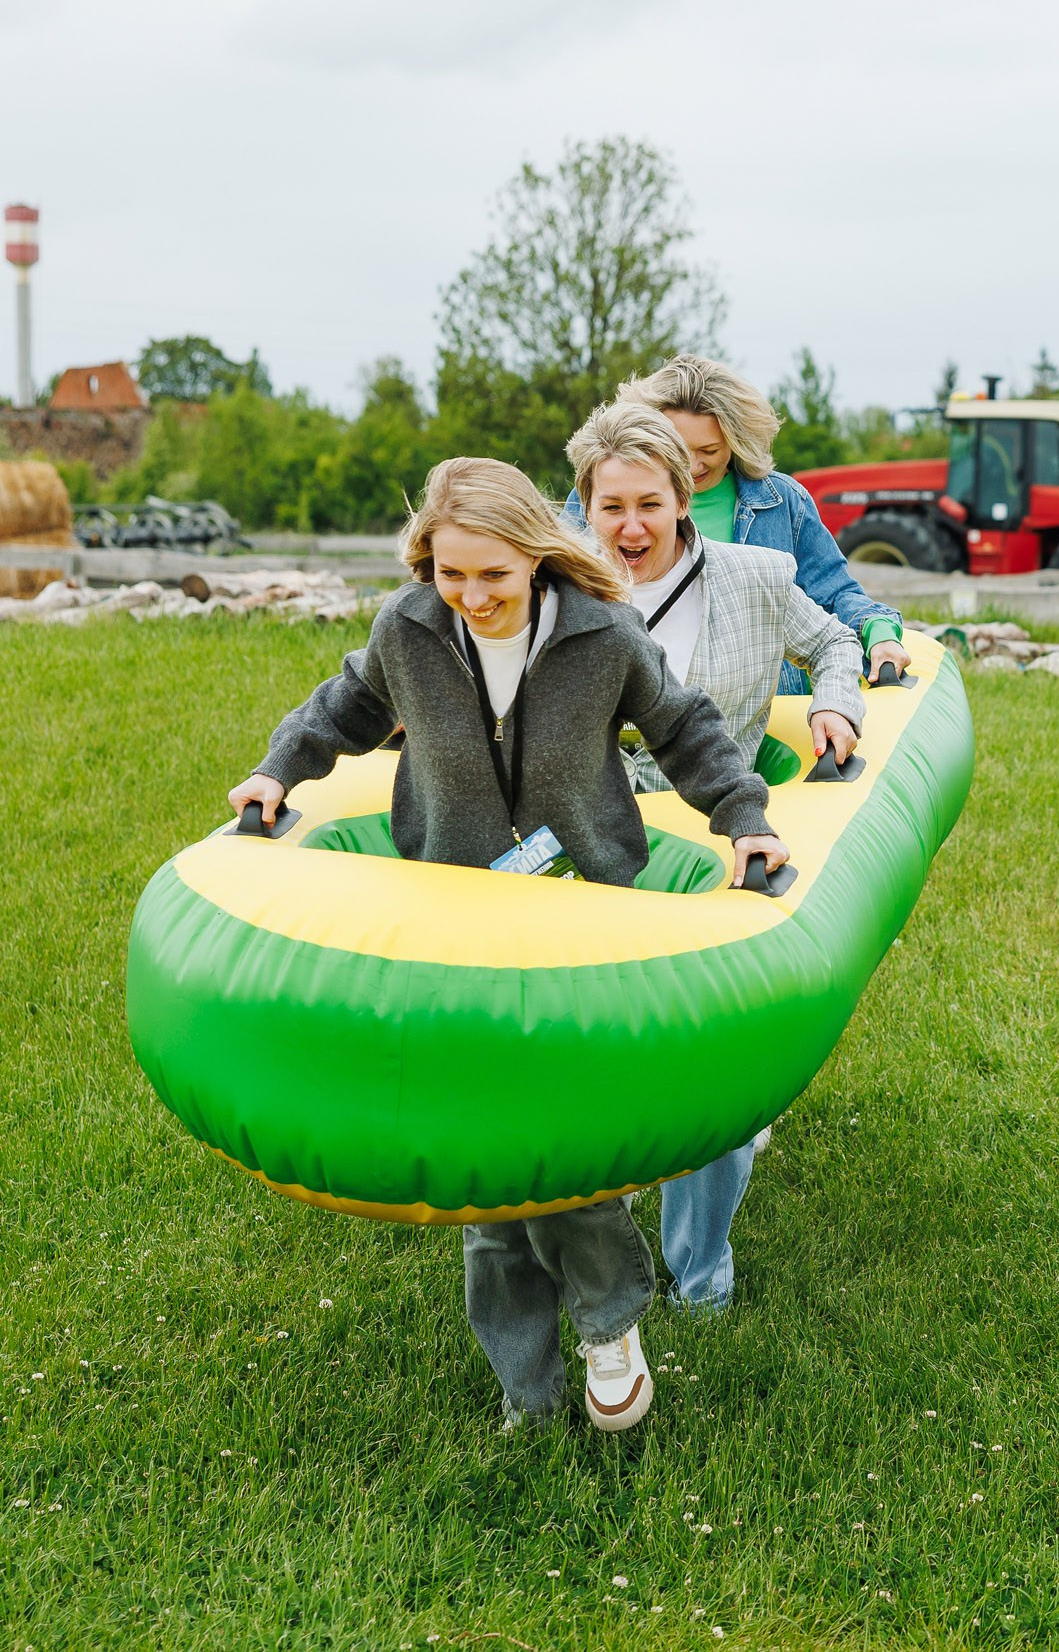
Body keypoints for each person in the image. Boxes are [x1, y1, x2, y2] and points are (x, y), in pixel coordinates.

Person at [229, 457, 784, 1432]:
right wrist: (278, 771)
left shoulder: (602, 634)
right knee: (484, 1183)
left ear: (535, 554)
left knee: (562, 1155)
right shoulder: (407, 630)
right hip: (453, 916)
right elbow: (345, 705)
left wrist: (745, 816)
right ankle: (524, 1386)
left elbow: (685, 726)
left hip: (579, 920)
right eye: (453, 575)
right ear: (428, 565)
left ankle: (610, 1323)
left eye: (495, 574)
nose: (474, 596)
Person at [568, 400, 866, 1309]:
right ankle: (592, 1247)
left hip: (715, 829)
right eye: (609, 507)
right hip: (592, 830)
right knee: (593, 1039)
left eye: (648, 505)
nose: (630, 527)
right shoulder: (559, 589)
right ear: (585, 507)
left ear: (683, 496)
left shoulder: (757, 575)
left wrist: (836, 704)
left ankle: (700, 1275)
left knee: (712, 1056)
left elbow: (835, 640)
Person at [571, 354, 909, 691]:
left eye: (709, 450)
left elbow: (832, 593)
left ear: (735, 441)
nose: (691, 466)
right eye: (677, 449)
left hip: (762, 706)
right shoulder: (599, 496)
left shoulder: (783, 501)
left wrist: (877, 631)